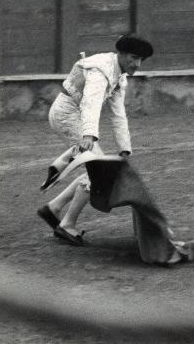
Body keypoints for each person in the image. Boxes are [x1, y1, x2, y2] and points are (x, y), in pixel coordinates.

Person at [37, 34, 153, 246]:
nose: (137, 64)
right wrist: (88, 134)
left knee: (98, 169)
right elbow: (90, 102)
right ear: (121, 54)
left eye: (141, 60)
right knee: (100, 172)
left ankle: (53, 208)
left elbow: (118, 115)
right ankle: (67, 225)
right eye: (134, 57)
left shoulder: (120, 76)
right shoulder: (101, 70)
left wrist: (124, 148)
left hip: (75, 115)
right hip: (67, 115)